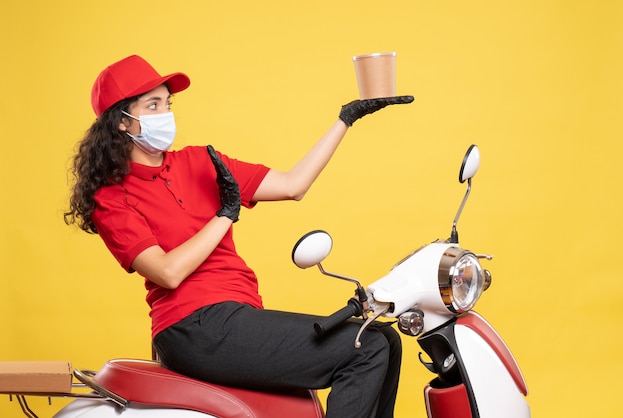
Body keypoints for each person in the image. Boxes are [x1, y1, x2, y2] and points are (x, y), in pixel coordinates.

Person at [65, 55, 413, 418]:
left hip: (237, 315)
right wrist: (224, 215)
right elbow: (166, 272)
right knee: (367, 346)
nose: (165, 113)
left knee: (385, 339)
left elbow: (293, 185)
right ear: (122, 121)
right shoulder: (111, 198)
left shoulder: (201, 162)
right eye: (153, 105)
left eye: (167, 103)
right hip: (192, 327)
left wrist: (346, 119)